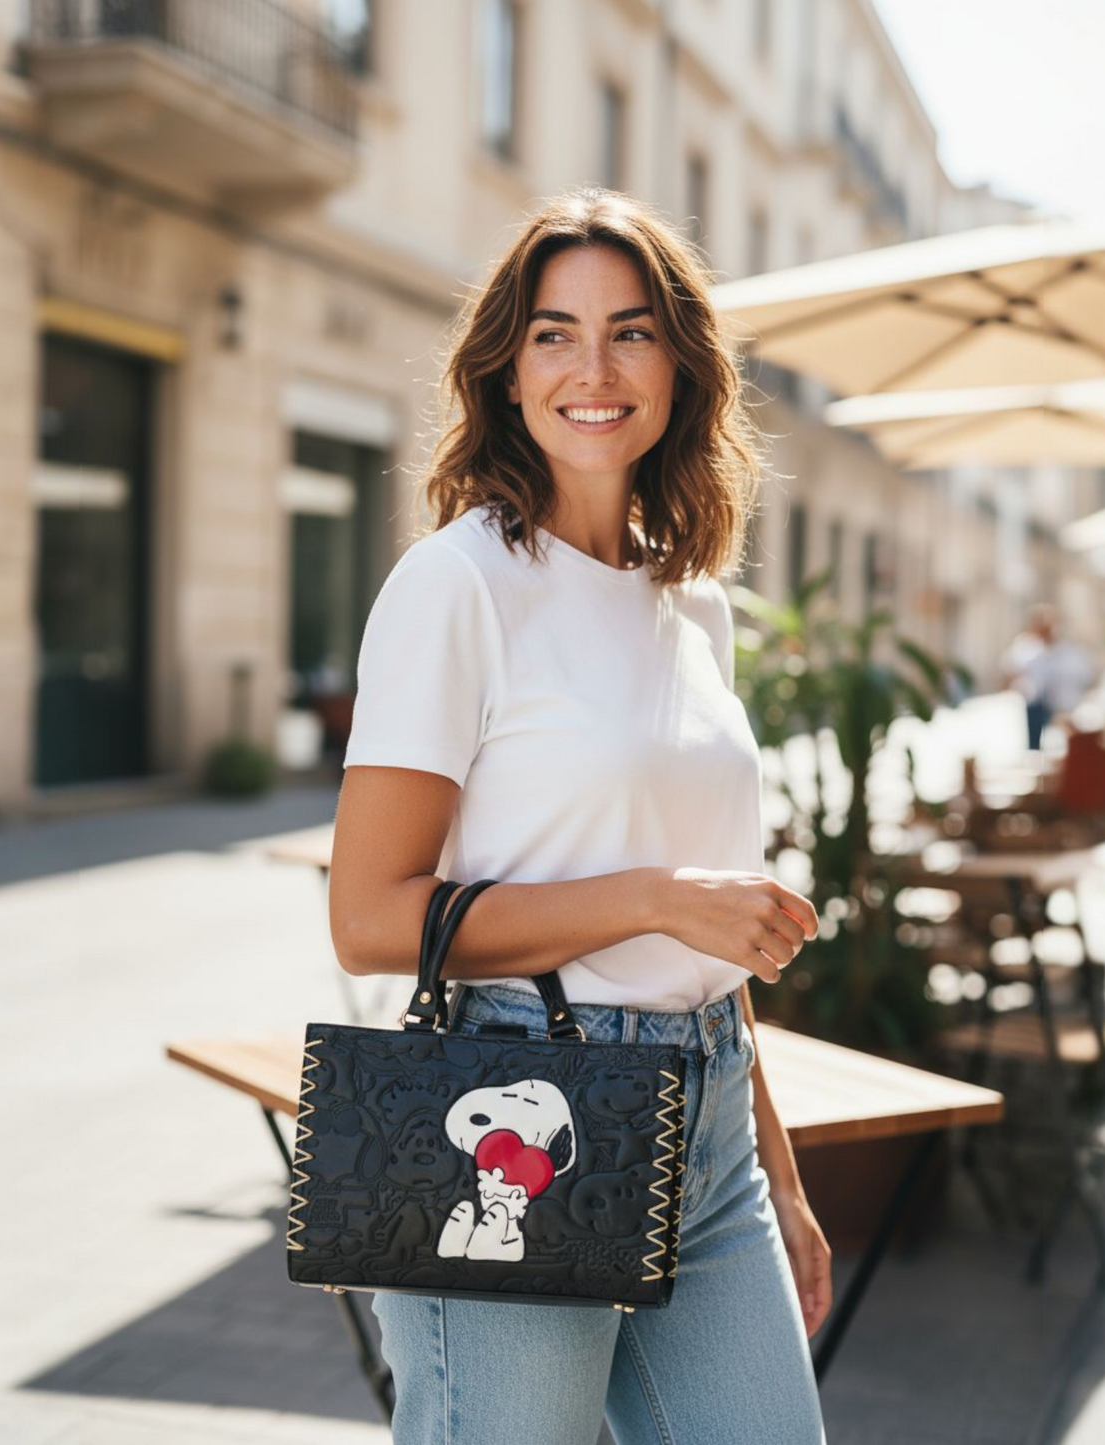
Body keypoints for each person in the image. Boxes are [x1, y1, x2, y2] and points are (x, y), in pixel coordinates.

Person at [328, 187, 830, 1445]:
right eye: (553, 334)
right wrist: (656, 894)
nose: (591, 369)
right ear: (505, 371)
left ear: (680, 365)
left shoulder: (693, 603)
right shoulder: (457, 585)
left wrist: (776, 1162)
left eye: (631, 331)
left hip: (708, 1113)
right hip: (514, 1102)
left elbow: (714, 936)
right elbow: (370, 918)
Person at [1001, 603, 1095, 752]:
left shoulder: (1066, 650)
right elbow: (1009, 672)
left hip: (1060, 707)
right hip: (1034, 705)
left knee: (1059, 747)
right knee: (1034, 747)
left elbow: (1082, 678)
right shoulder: (1026, 647)